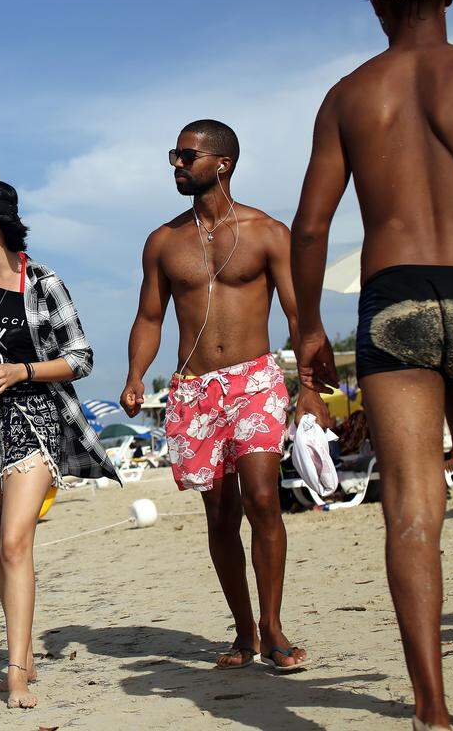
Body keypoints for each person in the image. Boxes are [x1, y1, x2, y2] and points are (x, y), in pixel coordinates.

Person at [290, 0, 453, 727]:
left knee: (412, 508)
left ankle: (430, 711)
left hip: (394, 296)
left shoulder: (351, 96)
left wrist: (311, 329)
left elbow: (312, 228)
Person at [120, 120, 312, 673]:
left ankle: (273, 627)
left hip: (255, 379)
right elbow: (149, 316)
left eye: (186, 156)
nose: (177, 166)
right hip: (194, 389)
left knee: (262, 497)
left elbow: (300, 317)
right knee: (221, 515)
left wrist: (312, 392)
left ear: (220, 163)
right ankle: (244, 630)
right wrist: (136, 375)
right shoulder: (163, 241)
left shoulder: (268, 232)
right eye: (174, 156)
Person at [0, 180, 119, 710]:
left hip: (34, 424)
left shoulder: (45, 284)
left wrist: (22, 371)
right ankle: (24, 647)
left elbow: (80, 357)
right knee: (0, 547)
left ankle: (14, 670)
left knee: (14, 542)